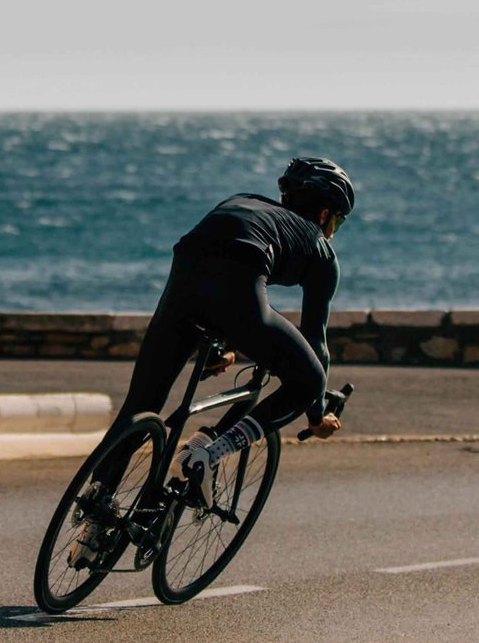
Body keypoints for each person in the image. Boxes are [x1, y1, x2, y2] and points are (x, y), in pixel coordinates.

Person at [111, 156, 355, 490]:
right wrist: (317, 416)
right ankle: (208, 454)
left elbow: (214, 271)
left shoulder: (244, 200)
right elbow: (316, 343)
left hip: (185, 274)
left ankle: (95, 508)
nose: (332, 232)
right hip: (237, 283)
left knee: (140, 406)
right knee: (310, 379)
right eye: (337, 224)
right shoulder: (320, 251)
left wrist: (220, 345)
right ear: (325, 213)